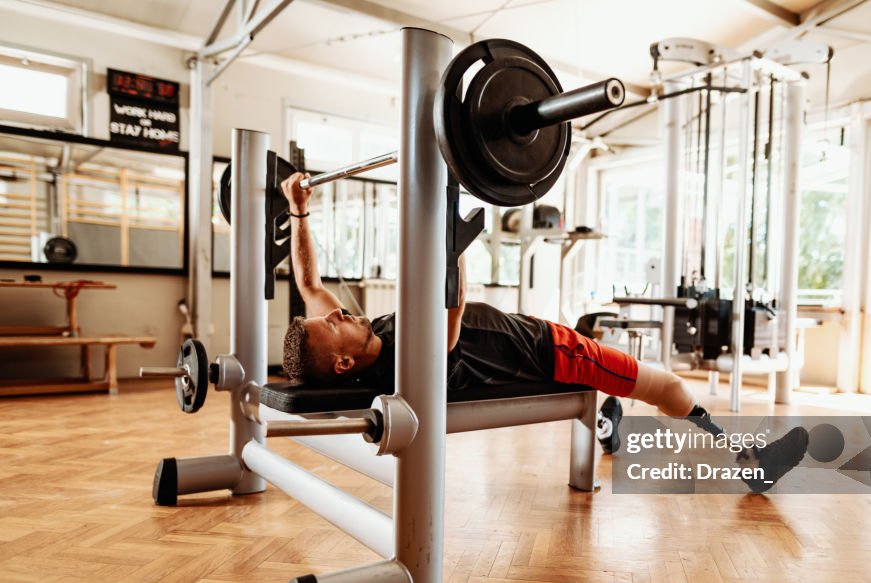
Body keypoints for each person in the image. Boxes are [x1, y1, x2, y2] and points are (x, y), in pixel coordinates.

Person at [278, 172, 807, 492]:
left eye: (329, 315)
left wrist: (299, 210)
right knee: (668, 386)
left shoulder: (373, 342)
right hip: (553, 355)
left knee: (605, 358)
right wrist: (452, 228)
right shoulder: (409, 359)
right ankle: (749, 462)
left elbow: (307, 282)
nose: (337, 313)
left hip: (538, 334)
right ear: (344, 363)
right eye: (332, 327)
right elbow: (453, 302)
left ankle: (606, 421)